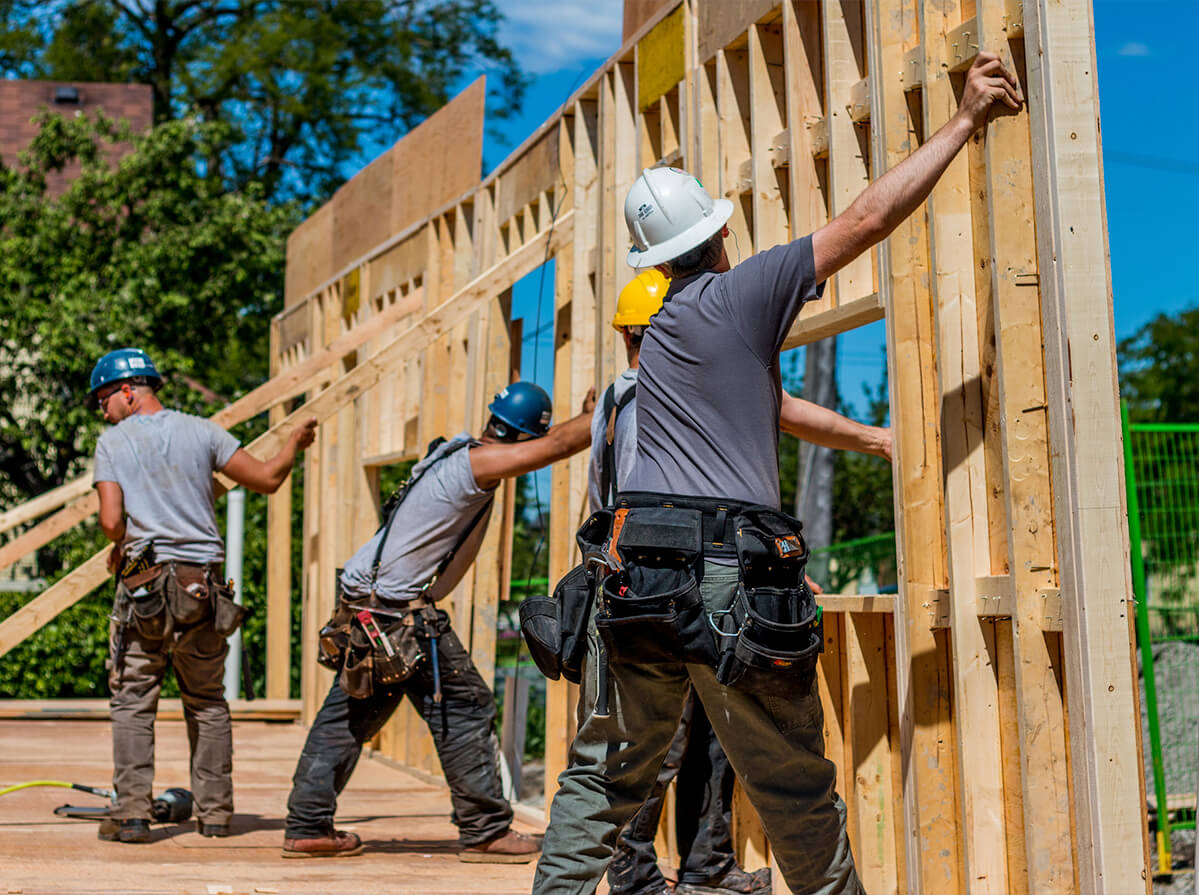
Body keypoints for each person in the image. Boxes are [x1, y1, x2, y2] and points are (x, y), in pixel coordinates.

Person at [534, 51, 1020, 895]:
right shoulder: (739, 297)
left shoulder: (665, 339)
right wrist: (965, 120)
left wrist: (869, 438)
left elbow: (778, 410)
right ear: (719, 235)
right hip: (727, 572)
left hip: (634, 572)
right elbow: (865, 220)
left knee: (604, 779)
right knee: (791, 784)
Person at [590, 273, 890, 895]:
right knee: (661, 743)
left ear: (625, 331)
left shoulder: (625, 397)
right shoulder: (653, 398)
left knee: (708, 737)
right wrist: (874, 438)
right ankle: (638, 878)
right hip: (661, 583)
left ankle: (703, 865)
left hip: (659, 584)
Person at [281, 381, 596, 861]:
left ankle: (307, 825)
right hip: (398, 616)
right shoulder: (477, 463)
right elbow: (556, 446)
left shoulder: (448, 456)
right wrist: (599, 413)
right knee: (466, 706)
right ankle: (486, 830)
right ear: (521, 435)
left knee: (349, 713)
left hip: (368, 607)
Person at [91, 347, 317, 844]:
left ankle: (131, 815)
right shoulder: (205, 432)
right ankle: (215, 815)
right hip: (202, 587)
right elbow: (267, 479)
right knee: (207, 700)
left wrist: (124, 542)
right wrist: (293, 445)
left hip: (145, 585)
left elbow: (110, 523)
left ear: (128, 390)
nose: (101, 410)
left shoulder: (113, 444)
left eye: (103, 398)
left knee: (133, 700)